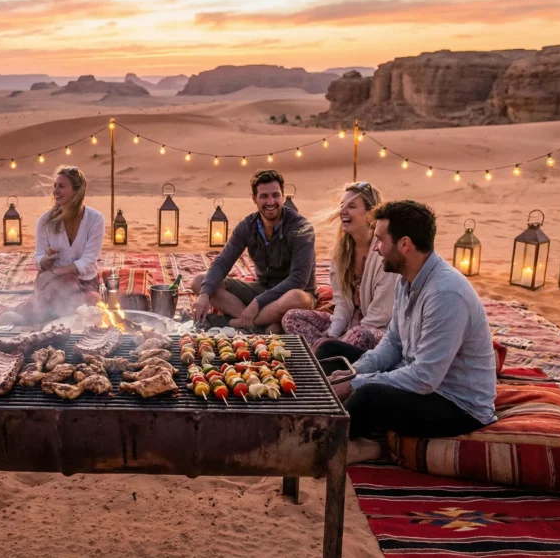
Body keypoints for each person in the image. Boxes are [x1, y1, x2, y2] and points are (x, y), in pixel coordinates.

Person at [321, 200, 497, 464]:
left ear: (405, 244)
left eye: (380, 240)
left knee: (369, 395)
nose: (376, 248)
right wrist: (354, 371)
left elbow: (425, 378)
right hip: (418, 380)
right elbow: (392, 343)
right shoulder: (406, 279)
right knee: (330, 351)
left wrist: (357, 383)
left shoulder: (445, 294)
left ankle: (329, 439)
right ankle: (349, 428)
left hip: (456, 404)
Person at [191, 169, 317, 332]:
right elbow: (223, 262)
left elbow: (299, 280)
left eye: (275, 195)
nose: (271, 202)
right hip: (261, 289)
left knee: (296, 298)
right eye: (264, 196)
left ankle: (233, 323)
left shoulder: (301, 228)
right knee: (200, 282)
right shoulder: (248, 226)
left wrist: (258, 302)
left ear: (282, 196)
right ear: (254, 199)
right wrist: (204, 294)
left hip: (292, 294)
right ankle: (257, 324)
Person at [282, 182, 396, 350]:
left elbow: (380, 316)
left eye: (351, 206)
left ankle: (325, 354)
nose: (342, 212)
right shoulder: (342, 252)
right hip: (349, 326)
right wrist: (332, 334)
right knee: (291, 317)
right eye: (342, 206)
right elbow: (342, 304)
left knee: (360, 334)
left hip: (378, 333)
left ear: (370, 214)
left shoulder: (384, 254)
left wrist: (343, 339)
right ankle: (322, 355)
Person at [0, 166, 104, 326]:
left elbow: (88, 261)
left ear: (77, 191)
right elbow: (39, 256)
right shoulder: (45, 221)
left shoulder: (95, 220)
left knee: (93, 303)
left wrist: (54, 272)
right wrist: (45, 261)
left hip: (84, 281)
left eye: (61, 186)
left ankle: (34, 313)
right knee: (69, 290)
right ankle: (33, 313)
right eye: (55, 186)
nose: (56, 191)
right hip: (53, 283)